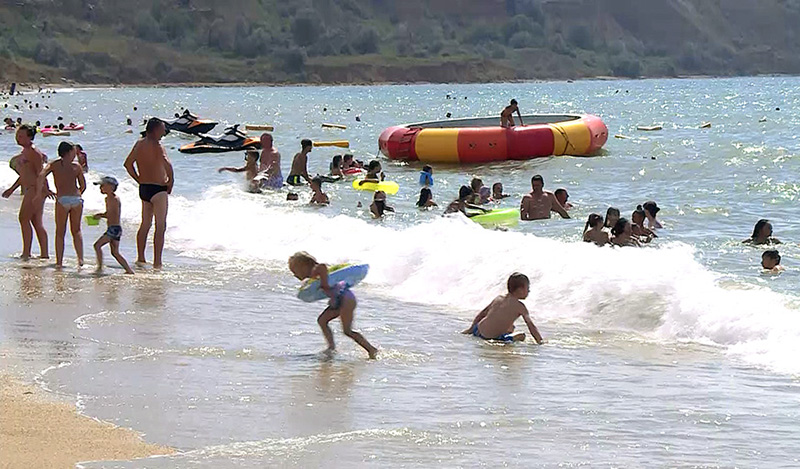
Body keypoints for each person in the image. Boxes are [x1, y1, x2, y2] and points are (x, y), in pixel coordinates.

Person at [288, 252, 378, 359]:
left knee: (347, 331)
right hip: (339, 300)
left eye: (295, 271)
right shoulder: (313, 278)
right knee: (322, 320)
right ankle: (331, 347)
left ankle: (371, 349)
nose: (295, 275)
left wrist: (325, 285)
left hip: (346, 299)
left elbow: (323, 267)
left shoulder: (317, 269)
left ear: (303, 266)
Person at [123, 117, 174, 269]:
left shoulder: (139, 144)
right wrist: (171, 182)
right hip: (158, 189)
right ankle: (157, 262)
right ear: (155, 130)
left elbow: (128, 164)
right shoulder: (158, 146)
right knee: (160, 226)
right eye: (162, 129)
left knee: (145, 224)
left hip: (144, 188)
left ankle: (141, 258)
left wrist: (138, 179)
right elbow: (167, 164)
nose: (164, 132)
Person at [2, 125, 50, 260]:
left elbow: (41, 173)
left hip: (36, 189)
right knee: (35, 221)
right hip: (30, 188)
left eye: (21, 136)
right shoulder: (25, 151)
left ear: (30, 137)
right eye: (17, 135)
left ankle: (27, 253)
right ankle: (43, 254)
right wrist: (12, 189)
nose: (18, 138)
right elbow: (25, 174)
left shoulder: (34, 152)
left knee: (23, 218)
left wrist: (43, 191)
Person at [39, 141, 86, 268]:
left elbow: (42, 175)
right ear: (69, 152)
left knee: (60, 232)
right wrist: (78, 194)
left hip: (62, 199)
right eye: (73, 152)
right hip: (76, 200)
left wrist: (45, 190)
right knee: (76, 230)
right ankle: (80, 260)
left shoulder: (54, 165)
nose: (75, 154)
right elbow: (83, 185)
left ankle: (59, 262)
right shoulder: (76, 166)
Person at [462, 273, 544, 344]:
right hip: (493, 339)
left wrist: (470, 329)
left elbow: (482, 313)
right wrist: (540, 341)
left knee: (511, 327)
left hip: (477, 331)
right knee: (522, 335)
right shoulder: (520, 307)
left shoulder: (499, 298)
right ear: (520, 290)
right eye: (528, 288)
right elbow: (531, 326)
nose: (529, 291)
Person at [92, 176, 134, 274]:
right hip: (114, 228)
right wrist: (102, 215)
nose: (100, 188)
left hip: (114, 229)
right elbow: (109, 213)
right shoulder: (108, 199)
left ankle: (99, 268)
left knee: (97, 245)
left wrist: (100, 215)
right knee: (115, 252)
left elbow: (113, 214)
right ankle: (129, 270)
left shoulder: (114, 199)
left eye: (103, 186)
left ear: (111, 187)